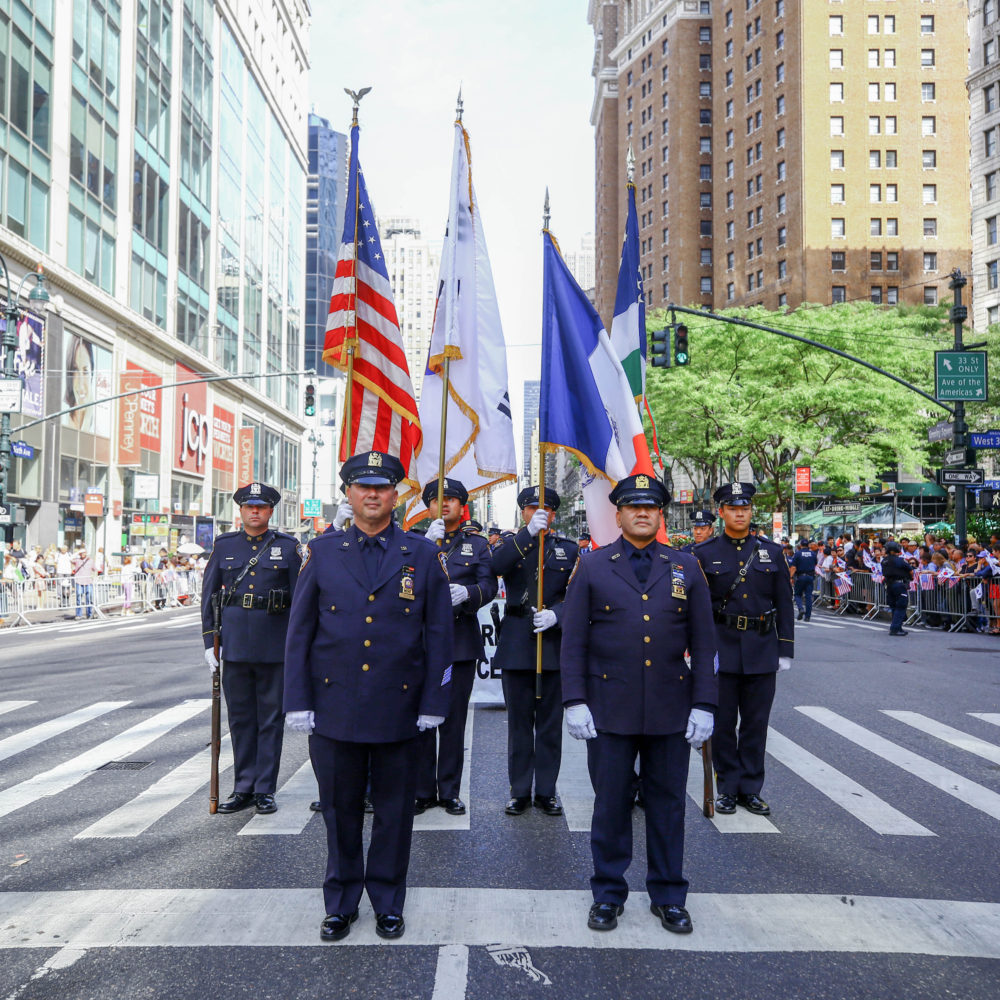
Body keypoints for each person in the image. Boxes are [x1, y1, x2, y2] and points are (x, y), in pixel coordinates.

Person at [283, 451, 452, 943]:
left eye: (382, 487)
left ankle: (387, 901)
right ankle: (340, 903)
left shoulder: (421, 554)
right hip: (334, 707)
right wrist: (298, 700)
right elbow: (300, 631)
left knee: (395, 814)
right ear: (349, 495)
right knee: (339, 811)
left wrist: (434, 703)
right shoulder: (323, 551)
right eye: (363, 487)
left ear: (397, 495)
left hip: (399, 708)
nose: (373, 495)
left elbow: (438, 634)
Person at [561, 474, 717, 936]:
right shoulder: (592, 566)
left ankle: (669, 895)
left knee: (668, 806)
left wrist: (704, 704)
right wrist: (574, 700)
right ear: (619, 514)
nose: (642, 513)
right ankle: (608, 894)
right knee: (610, 805)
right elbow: (574, 642)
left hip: (671, 706)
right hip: (608, 707)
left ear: (660, 513)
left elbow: (704, 643)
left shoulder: (685, 566)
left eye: (650, 506)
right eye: (633, 506)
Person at [200, 482, 301, 815]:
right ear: (240, 511)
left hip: (275, 646)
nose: (254, 512)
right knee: (241, 719)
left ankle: (264, 789)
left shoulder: (287, 548)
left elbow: (299, 600)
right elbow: (209, 596)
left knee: (270, 720)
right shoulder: (224, 545)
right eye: (249, 507)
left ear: (271, 511)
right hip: (236, 648)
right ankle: (243, 786)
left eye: (261, 507)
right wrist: (209, 643)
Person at [695, 482, 793, 817]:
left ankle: (751, 789)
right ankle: (727, 787)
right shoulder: (704, 554)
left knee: (755, 723)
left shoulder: (772, 552)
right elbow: (698, 609)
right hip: (722, 647)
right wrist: (698, 651)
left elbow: (784, 603)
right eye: (733, 508)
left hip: (762, 648)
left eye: (745, 508)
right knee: (723, 724)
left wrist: (785, 650)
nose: (740, 513)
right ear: (721, 512)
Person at [491, 486, 579, 817]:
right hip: (516, 643)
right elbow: (495, 566)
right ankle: (518, 791)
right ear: (523, 512)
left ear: (554, 514)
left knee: (549, 724)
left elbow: (580, 593)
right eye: (530, 508)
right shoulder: (512, 545)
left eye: (544, 509)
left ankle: (546, 790)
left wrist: (559, 614)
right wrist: (527, 534)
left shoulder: (568, 550)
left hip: (553, 645)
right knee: (519, 724)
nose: (538, 513)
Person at [416, 477, 497, 815]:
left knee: (453, 720)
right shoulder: (413, 542)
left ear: (462, 506)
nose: (444, 504)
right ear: (427, 507)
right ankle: (422, 790)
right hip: (417, 643)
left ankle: (448, 789)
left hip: (458, 640)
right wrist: (424, 548)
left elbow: (488, 585)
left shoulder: (476, 545)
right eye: (436, 499)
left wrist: (469, 595)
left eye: (451, 499)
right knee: (419, 720)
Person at [63, 335, 96, 432]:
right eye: (75, 370)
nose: (81, 383)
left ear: (92, 373)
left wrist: (88, 416)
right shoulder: (61, 414)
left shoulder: (100, 427)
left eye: (85, 371)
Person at [882, 540, 914, 636]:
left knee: (894, 607)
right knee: (901, 606)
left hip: (889, 585)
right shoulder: (900, 560)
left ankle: (897, 627)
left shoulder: (884, 561)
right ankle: (895, 629)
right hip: (899, 585)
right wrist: (910, 578)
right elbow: (910, 570)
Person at [789, 537, 818, 621]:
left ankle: (801, 608)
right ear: (808, 545)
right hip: (810, 577)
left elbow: (793, 567)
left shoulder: (797, 554)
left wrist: (790, 577)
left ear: (801, 545)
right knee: (808, 596)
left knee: (797, 594)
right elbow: (815, 564)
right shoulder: (813, 554)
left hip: (801, 577)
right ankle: (807, 617)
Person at [72, 547, 95, 619]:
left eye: (84, 552)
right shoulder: (77, 560)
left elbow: (95, 569)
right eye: (81, 553)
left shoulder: (90, 560)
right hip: (79, 581)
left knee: (89, 598)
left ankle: (89, 614)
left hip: (88, 581)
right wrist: (78, 552)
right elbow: (70, 559)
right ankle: (78, 614)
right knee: (79, 598)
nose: (82, 554)